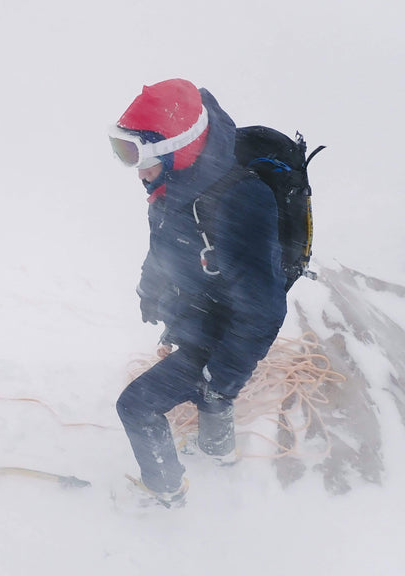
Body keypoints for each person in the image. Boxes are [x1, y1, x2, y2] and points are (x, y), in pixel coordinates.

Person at [109, 79, 287, 506]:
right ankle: (219, 454)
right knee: (210, 396)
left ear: (176, 150)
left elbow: (263, 312)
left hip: (222, 337)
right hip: (199, 319)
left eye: (142, 158)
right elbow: (165, 245)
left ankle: (165, 492)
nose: (139, 172)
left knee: (137, 407)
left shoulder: (242, 202)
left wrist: (221, 380)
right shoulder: (174, 188)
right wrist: (149, 291)